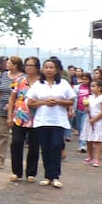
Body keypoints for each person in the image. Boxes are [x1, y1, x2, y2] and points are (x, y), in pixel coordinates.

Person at [26, 57, 75, 188]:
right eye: (46, 67)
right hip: (42, 120)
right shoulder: (38, 84)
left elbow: (71, 101)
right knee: (46, 148)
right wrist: (43, 102)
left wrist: (58, 102)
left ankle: (55, 176)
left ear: (57, 70)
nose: (48, 70)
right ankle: (48, 176)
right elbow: (30, 102)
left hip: (58, 121)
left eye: (51, 67)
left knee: (56, 146)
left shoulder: (63, 84)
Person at [0, 55, 24, 169]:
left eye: (9, 63)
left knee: (17, 137)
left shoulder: (23, 78)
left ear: (16, 65)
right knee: (2, 134)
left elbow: (23, 94)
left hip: (17, 111)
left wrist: (12, 105)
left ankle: (16, 161)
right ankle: (0, 159)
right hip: (2, 108)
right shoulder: (4, 75)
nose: (7, 65)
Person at [79, 80, 102, 167]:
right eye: (91, 86)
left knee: (97, 140)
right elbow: (87, 108)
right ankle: (90, 156)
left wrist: (95, 119)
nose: (92, 88)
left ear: (99, 88)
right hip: (89, 119)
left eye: (94, 86)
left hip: (98, 120)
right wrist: (86, 109)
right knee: (89, 139)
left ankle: (97, 158)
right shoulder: (90, 97)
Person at [74, 72, 92, 153]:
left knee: (83, 126)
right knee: (78, 127)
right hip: (78, 108)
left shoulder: (91, 88)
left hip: (86, 110)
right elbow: (74, 98)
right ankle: (82, 142)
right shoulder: (77, 87)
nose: (84, 81)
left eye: (86, 79)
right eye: (83, 79)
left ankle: (83, 144)